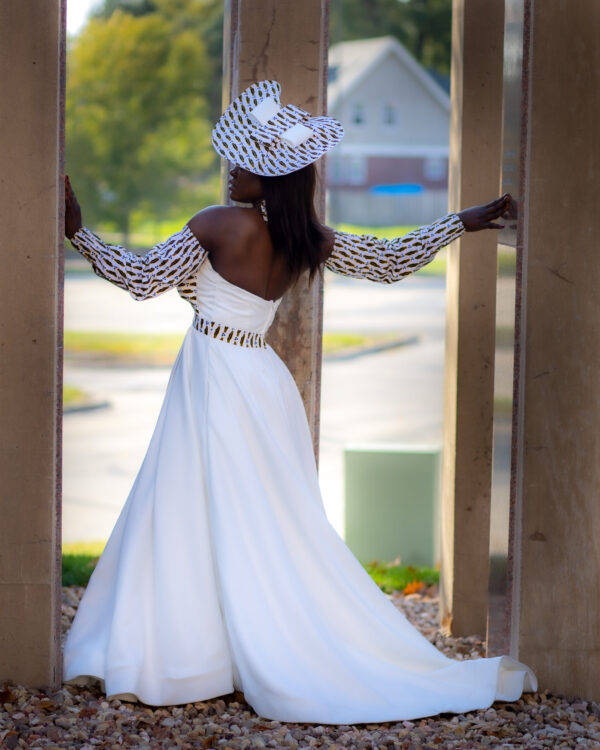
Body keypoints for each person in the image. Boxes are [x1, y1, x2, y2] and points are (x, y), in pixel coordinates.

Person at [63, 79, 536, 724]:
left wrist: (78, 233)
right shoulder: (303, 235)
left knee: (190, 505)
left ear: (271, 174)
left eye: (245, 162)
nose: (232, 171)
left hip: (218, 378)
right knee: (263, 520)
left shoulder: (217, 224)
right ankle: (232, 648)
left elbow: (140, 278)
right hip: (259, 381)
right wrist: (462, 221)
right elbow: (391, 259)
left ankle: (186, 656)